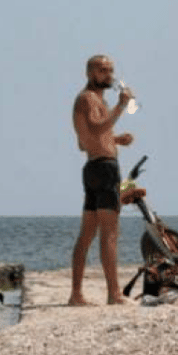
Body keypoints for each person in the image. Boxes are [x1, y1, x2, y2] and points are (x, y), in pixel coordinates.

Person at [68, 54, 137, 306]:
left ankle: (76, 295)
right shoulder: (88, 98)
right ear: (90, 73)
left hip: (92, 168)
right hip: (105, 169)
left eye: (110, 70)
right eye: (103, 70)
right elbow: (96, 128)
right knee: (109, 233)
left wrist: (116, 140)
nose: (108, 75)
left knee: (87, 234)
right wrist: (121, 106)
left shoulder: (90, 100)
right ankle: (114, 294)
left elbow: (83, 140)